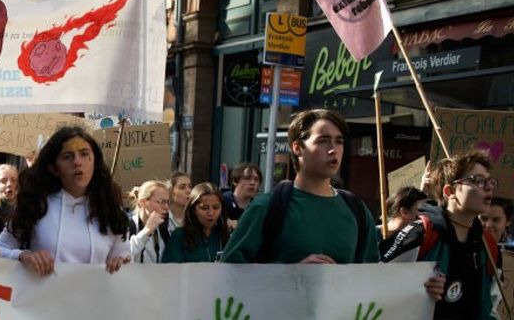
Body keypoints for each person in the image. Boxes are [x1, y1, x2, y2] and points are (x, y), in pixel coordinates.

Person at [221, 109, 379, 264]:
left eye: (339, 141)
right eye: (323, 141)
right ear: (297, 148)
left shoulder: (357, 210)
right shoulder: (265, 207)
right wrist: (292, 274)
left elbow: (370, 280)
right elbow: (229, 275)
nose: (333, 150)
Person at [0, 126, 132, 276]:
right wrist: (23, 256)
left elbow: (126, 267)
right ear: (54, 168)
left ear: (95, 162)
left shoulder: (111, 213)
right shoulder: (35, 205)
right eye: (67, 156)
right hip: (41, 298)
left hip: (92, 298)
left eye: (84, 154)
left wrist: (120, 265)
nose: (77, 162)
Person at [381, 151, 501, 318]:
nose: (488, 187)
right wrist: (416, 288)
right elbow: (379, 281)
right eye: (478, 181)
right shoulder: (421, 233)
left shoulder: (488, 245)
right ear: (450, 191)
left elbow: (491, 306)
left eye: (490, 181)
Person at [162, 183, 230, 263]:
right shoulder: (179, 236)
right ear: (193, 209)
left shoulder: (226, 235)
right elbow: (171, 269)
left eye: (216, 207)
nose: (211, 213)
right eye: (204, 208)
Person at [129, 180, 170, 263]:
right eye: (162, 202)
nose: (166, 207)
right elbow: (124, 255)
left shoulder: (165, 228)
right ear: (142, 202)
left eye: (168, 202)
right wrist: (147, 231)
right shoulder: (128, 226)